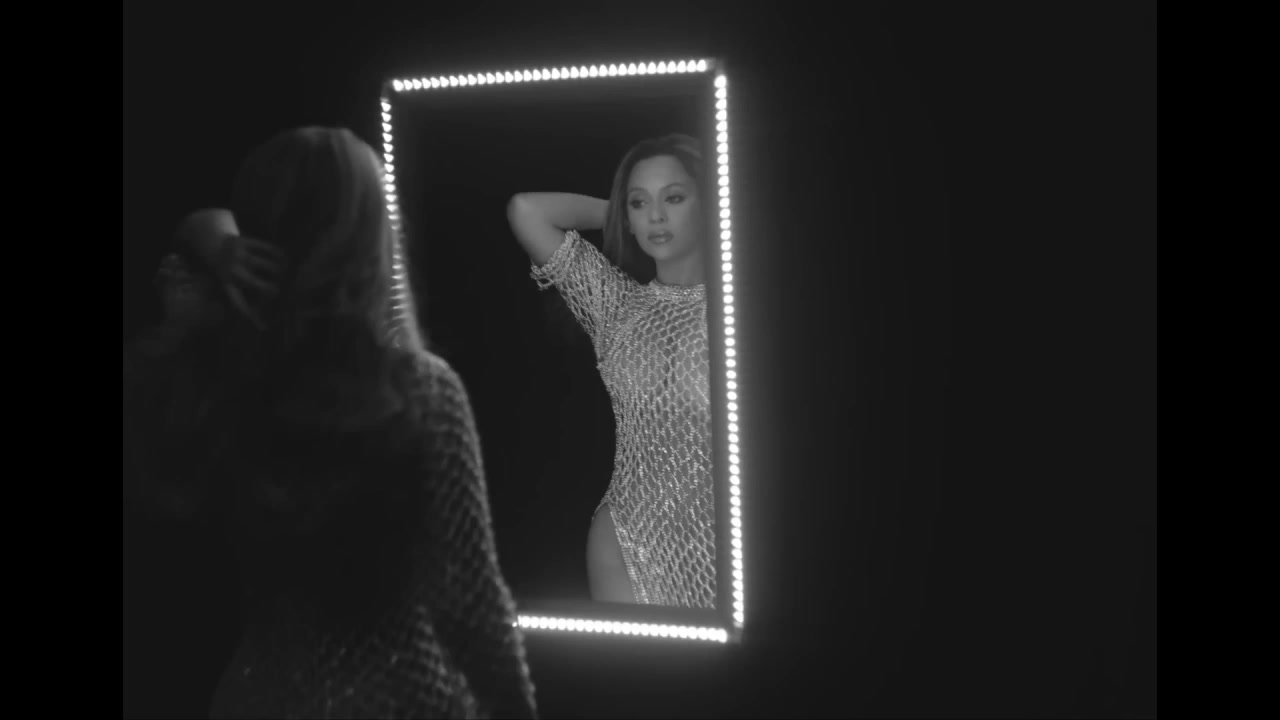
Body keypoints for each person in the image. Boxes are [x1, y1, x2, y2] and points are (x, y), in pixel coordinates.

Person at [127, 126, 537, 719]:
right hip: (404, 698)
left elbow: (195, 225)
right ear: (369, 237)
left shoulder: (214, 378)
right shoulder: (420, 391)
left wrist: (216, 248)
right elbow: (474, 606)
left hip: (258, 698)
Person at [506, 133, 716, 609]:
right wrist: (621, 214)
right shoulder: (616, 307)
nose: (656, 216)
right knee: (635, 661)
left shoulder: (739, 311)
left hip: (723, 541)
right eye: (640, 203)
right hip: (625, 538)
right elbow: (526, 210)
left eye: (674, 198)